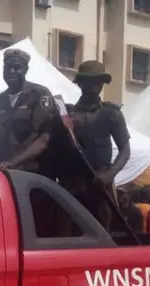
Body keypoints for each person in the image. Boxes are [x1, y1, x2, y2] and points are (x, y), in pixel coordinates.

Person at [51, 60, 132, 231]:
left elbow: (125, 150)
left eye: (99, 81)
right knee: (65, 233)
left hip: (99, 184)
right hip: (71, 184)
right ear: (80, 83)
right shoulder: (66, 114)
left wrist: (110, 174)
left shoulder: (111, 113)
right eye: (90, 80)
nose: (95, 85)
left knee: (102, 235)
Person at [0, 49, 57, 175]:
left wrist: (13, 163)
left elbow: (43, 139)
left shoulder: (40, 94)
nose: (11, 72)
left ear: (26, 70)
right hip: (7, 170)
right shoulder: (0, 100)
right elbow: (3, 138)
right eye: (8, 68)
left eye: (17, 68)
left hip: (33, 172)